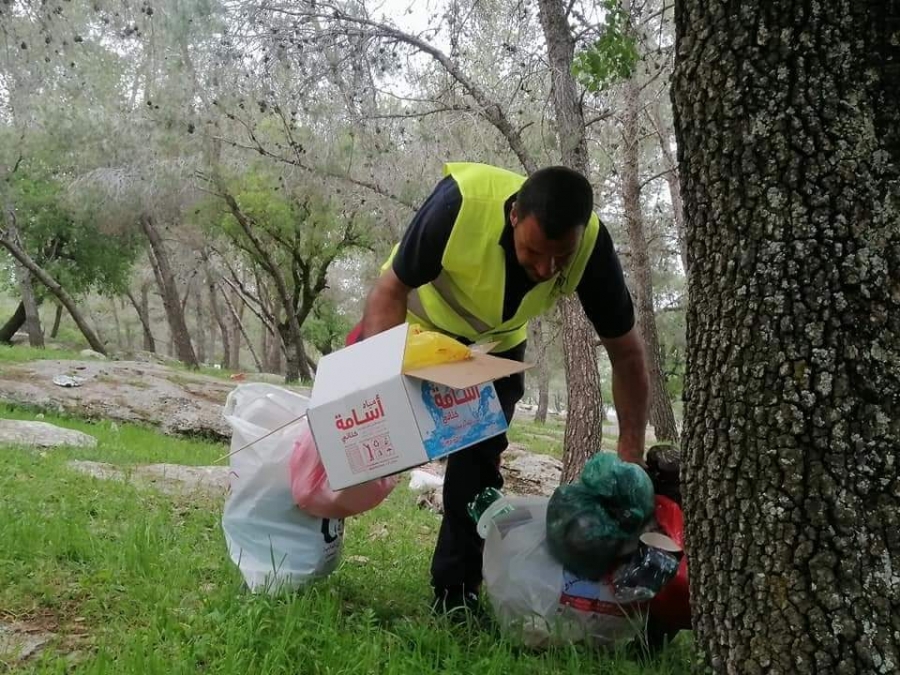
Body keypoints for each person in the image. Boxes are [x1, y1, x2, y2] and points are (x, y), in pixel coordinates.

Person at [357, 161, 650, 618]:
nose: (545, 268)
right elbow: (391, 287)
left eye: (560, 258)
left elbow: (627, 353)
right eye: (534, 251)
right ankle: (308, 527)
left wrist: (631, 452)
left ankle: (455, 595)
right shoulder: (460, 202)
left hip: (492, 348)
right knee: (353, 439)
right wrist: (378, 387)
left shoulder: (590, 245)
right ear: (513, 215)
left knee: (477, 466)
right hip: (416, 328)